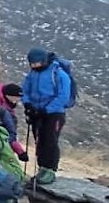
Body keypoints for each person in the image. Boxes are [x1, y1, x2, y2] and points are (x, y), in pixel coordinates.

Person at [21, 47, 71, 185]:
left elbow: (63, 96)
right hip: (36, 113)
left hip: (54, 114)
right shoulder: (32, 74)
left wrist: (47, 109)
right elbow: (25, 91)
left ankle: (50, 170)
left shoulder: (59, 74)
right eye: (31, 64)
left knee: (50, 141)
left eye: (36, 63)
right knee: (39, 141)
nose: (33, 66)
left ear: (44, 61)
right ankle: (42, 168)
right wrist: (28, 105)